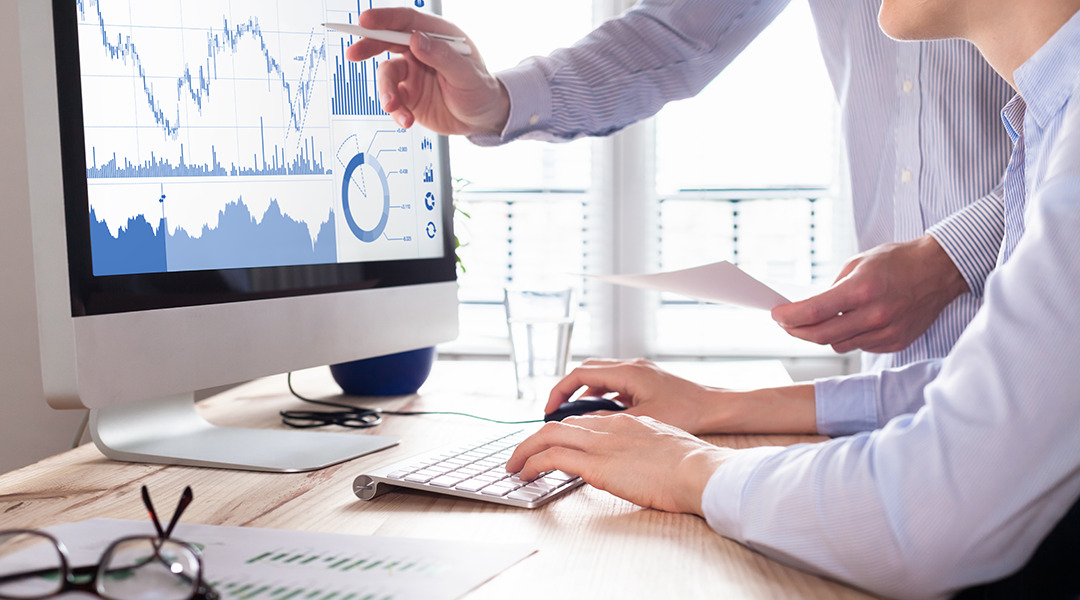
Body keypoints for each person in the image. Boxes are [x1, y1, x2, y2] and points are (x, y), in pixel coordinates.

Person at [501, 1, 1080, 597]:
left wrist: (686, 467)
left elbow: (930, 512)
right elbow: (989, 386)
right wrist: (719, 406)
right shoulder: (1049, 122)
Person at [346, 1, 1013, 373]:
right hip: (899, 386)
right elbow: (673, 38)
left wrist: (954, 257)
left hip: (1043, 364)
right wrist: (494, 100)